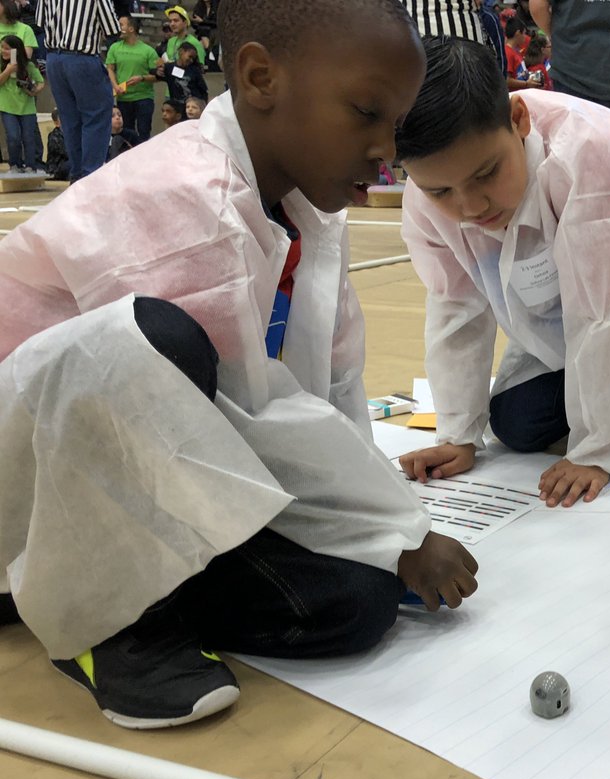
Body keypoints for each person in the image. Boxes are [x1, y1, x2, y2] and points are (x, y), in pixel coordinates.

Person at [0, 0, 478, 730]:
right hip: (30, 479)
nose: (386, 149)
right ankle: (109, 622)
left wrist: (386, 539)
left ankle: (91, 584)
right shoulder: (186, 197)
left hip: (136, 469)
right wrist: (399, 531)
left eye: (396, 124)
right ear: (259, 78)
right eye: (365, 113)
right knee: (161, 338)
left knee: (356, 603)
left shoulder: (305, 210)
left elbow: (332, 386)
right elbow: (244, 407)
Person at [395, 37, 610, 509]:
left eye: (486, 174)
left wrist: (598, 451)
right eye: (440, 191)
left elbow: (609, 309)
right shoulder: (427, 195)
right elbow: (455, 307)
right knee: (513, 424)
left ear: (519, 120)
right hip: (572, 317)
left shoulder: (588, 153)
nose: (470, 206)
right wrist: (457, 435)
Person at [36, 0, 120, 182]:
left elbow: (40, 22)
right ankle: (90, 176)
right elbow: (112, 28)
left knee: (70, 120)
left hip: (53, 60)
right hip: (82, 58)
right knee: (96, 117)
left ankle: (76, 174)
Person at [526, 0, 610, 113]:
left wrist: (555, 34)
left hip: (570, 65)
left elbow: (538, 6)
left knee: (572, 134)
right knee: (609, 134)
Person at [105, 14, 159, 144]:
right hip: (124, 97)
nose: (118, 28)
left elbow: (157, 76)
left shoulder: (148, 51)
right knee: (125, 132)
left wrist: (142, 78)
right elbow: (110, 69)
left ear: (131, 28)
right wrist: (115, 86)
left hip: (144, 97)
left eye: (121, 25)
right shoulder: (114, 48)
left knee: (144, 132)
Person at [0, 33, 43, 171]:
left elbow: (41, 82)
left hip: (27, 107)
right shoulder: (2, 64)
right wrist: (8, 70)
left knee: (28, 137)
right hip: (7, 106)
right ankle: (14, 164)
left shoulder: (28, 65)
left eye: (7, 49)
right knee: (13, 136)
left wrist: (33, 91)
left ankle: (30, 165)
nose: (3, 51)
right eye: (2, 47)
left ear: (16, 50)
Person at [44, 106, 69, 178]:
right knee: (74, 164)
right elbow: (66, 153)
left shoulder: (71, 133)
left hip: (66, 164)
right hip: (56, 168)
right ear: (56, 123)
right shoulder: (54, 136)